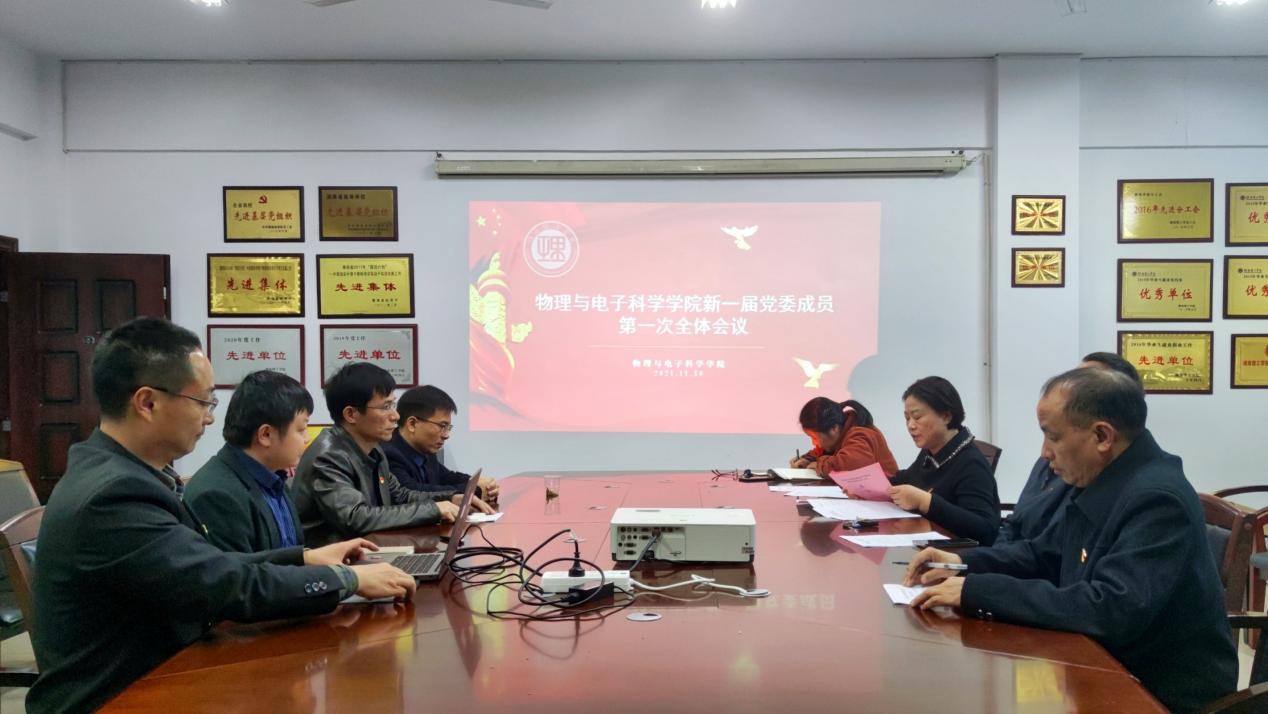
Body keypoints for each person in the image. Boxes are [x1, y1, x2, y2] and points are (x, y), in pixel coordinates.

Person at [27, 318, 415, 714]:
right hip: (122, 698)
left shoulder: (122, 473)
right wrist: (347, 580)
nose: (210, 418)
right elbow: (224, 585)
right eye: (203, 402)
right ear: (147, 403)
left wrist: (303, 558)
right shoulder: (114, 495)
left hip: (165, 675)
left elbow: (209, 566)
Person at [905, 368, 1236, 712]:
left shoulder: (1156, 499)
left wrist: (979, 591)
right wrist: (961, 563)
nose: (1044, 453)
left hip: (1155, 689)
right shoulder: (1103, 476)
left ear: (1102, 436)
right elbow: (1042, 554)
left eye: (1053, 437)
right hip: (1097, 658)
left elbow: (1110, 608)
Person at [290, 363, 492, 546]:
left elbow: (401, 495)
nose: (395, 416)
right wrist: (434, 509)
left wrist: (451, 498)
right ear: (351, 414)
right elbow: (356, 518)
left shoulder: (374, 449)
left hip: (367, 550)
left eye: (393, 405)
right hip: (332, 563)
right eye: (386, 407)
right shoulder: (328, 456)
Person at [995, 351, 1144, 546]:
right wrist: (969, 560)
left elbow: (1050, 557)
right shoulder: (1065, 463)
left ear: (1102, 436)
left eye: (1086, 384)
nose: (1044, 453)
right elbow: (1039, 546)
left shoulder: (1147, 499)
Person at [184, 370, 312, 553]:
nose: (307, 438)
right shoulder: (217, 495)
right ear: (266, 435)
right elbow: (239, 570)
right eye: (301, 429)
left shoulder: (274, 479)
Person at [889, 376, 1000, 545]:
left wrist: (925, 502)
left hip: (957, 554)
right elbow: (909, 478)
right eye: (907, 418)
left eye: (917, 417)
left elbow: (984, 529)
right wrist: (870, 485)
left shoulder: (971, 463)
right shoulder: (931, 450)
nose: (910, 425)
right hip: (927, 543)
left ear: (946, 416)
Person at [382, 384, 500, 502]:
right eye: (442, 426)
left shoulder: (425, 449)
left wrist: (479, 483)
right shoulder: (388, 454)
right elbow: (413, 491)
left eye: (448, 428)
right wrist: (474, 489)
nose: (446, 435)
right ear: (412, 424)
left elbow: (447, 477)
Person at [788, 397, 899, 476]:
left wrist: (818, 465)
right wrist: (805, 460)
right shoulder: (841, 432)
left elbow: (851, 465)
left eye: (815, 437)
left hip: (886, 498)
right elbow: (821, 453)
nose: (814, 443)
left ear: (834, 428)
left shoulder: (860, 434)